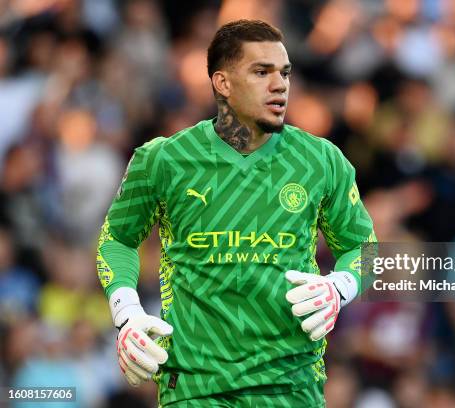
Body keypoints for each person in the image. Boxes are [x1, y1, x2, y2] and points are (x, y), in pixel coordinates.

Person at [96, 19, 375, 407]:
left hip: (290, 388)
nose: (280, 84)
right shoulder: (164, 160)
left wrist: (339, 286)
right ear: (222, 83)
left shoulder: (321, 161)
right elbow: (118, 239)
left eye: (285, 72)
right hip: (194, 388)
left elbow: (365, 249)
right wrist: (126, 311)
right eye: (262, 72)